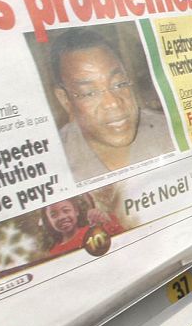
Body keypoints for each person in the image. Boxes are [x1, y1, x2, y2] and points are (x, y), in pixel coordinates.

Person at [50, 27, 175, 181]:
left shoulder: (168, 131)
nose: (113, 103)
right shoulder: (54, 160)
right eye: (89, 93)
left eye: (119, 84)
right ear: (65, 99)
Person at [42, 193, 125, 257]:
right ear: (49, 220)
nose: (61, 217)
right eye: (53, 215)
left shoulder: (94, 230)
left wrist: (106, 220)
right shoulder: (53, 252)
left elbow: (122, 239)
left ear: (76, 211)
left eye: (66, 210)